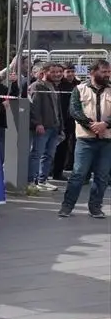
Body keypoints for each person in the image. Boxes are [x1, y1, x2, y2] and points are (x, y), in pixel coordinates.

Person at [59, 59, 111, 219]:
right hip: (85, 140)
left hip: (107, 140)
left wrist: (105, 124)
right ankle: (67, 206)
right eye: (104, 71)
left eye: (109, 72)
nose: (107, 75)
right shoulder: (79, 89)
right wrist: (92, 125)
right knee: (78, 174)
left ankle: (95, 207)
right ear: (93, 72)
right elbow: (74, 111)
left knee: (102, 176)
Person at [29, 63, 64, 190]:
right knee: (36, 154)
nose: (57, 74)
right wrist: (38, 123)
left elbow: (57, 108)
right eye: (53, 72)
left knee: (48, 155)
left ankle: (42, 180)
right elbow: (34, 106)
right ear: (44, 72)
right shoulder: (37, 86)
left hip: (54, 126)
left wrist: (60, 126)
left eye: (59, 72)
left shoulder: (54, 86)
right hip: (43, 126)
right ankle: (31, 181)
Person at [53, 64, 79, 181]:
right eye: (68, 71)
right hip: (59, 120)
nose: (70, 74)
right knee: (57, 147)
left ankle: (62, 169)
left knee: (68, 146)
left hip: (71, 121)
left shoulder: (76, 85)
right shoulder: (59, 85)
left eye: (72, 71)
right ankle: (53, 171)